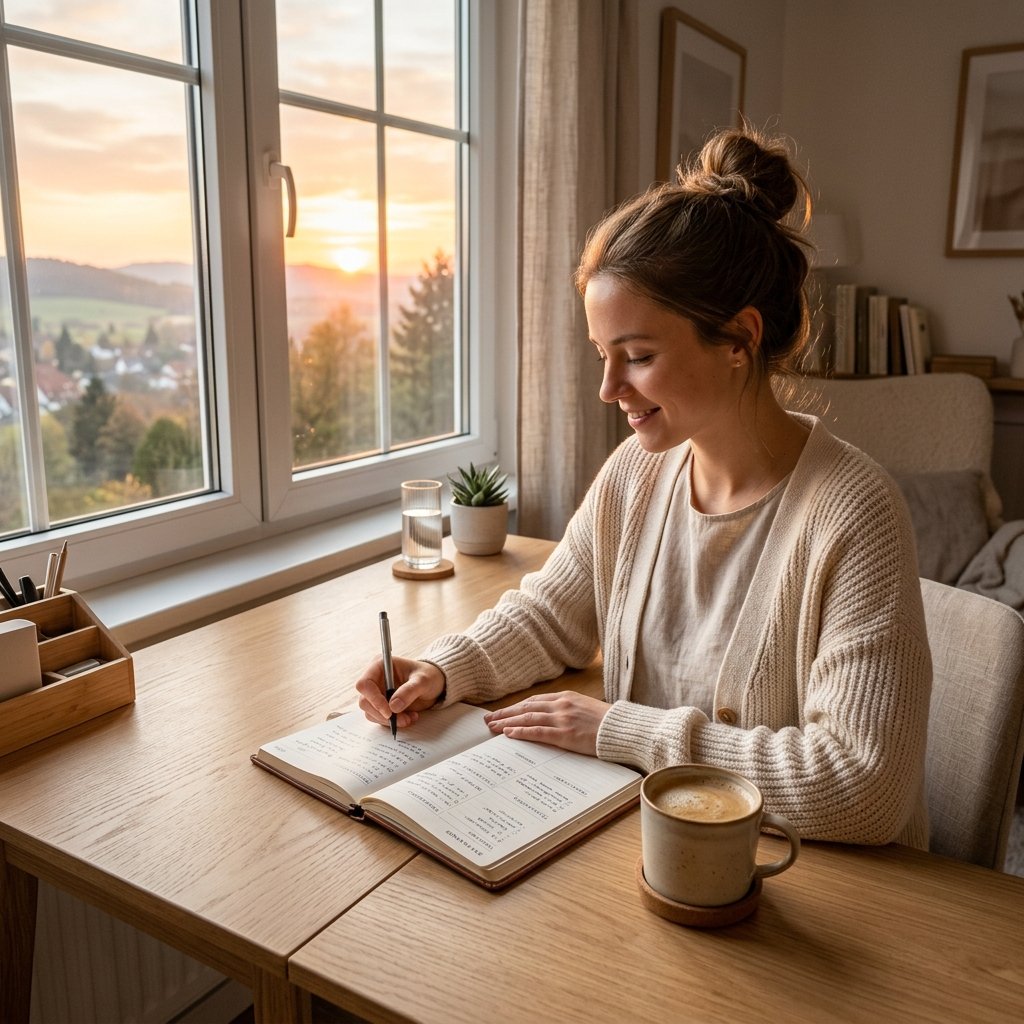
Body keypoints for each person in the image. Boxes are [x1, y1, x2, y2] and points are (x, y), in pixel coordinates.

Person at [356, 125, 931, 849]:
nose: (607, 387)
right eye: (603, 354)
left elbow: (860, 786)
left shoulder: (855, 513)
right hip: (665, 858)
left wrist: (618, 730)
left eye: (637, 356)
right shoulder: (637, 473)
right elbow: (551, 616)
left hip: (828, 897)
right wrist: (444, 669)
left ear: (739, 340)